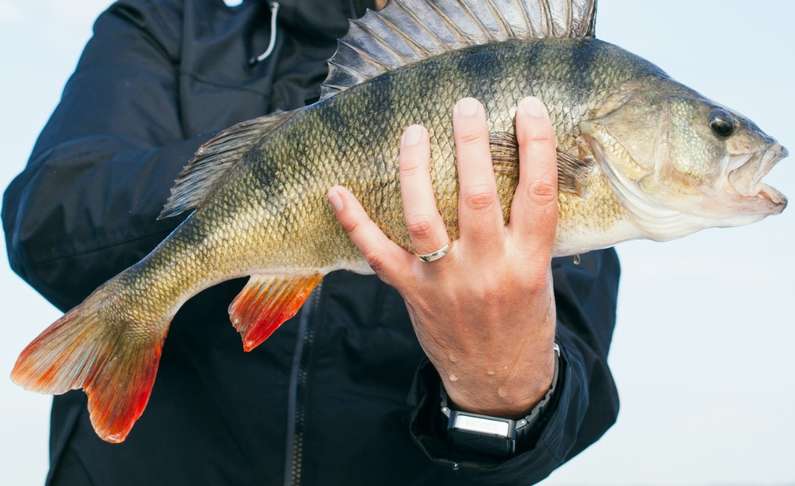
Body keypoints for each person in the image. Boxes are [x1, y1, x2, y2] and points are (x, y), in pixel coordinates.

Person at [2, 1, 620, 485]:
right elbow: (43, 222)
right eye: (721, 129)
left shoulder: (547, 105)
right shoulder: (167, 23)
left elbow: (566, 411)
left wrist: (504, 392)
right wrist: (281, 170)